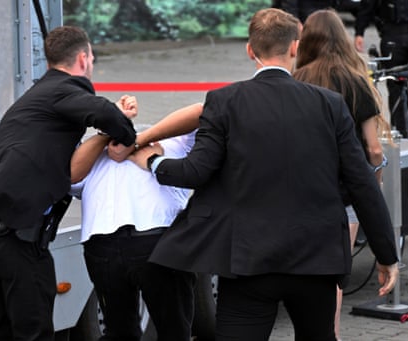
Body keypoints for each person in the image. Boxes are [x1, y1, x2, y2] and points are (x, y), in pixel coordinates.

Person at [128, 8, 399, 341]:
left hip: (249, 261)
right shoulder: (330, 104)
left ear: (249, 49)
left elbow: (195, 171)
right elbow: (362, 184)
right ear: (294, 48)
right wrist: (387, 255)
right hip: (316, 260)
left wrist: (152, 160)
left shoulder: (224, 101)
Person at [0, 26, 136, 341]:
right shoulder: (64, 90)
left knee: (12, 330)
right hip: (12, 233)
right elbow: (104, 114)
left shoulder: (41, 95)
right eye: (91, 57)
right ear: (83, 58)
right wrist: (125, 132)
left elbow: (72, 168)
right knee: (34, 331)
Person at [293, 9, 390, 340]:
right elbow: (374, 148)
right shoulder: (355, 81)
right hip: (345, 195)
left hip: (302, 189)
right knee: (333, 273)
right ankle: (329, 334)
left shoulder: (297, 79)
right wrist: (372, 183)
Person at [69, 103, 202, 341]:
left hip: (103, 245)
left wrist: (122, 134)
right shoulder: (176, 145)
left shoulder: (97, 157)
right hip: (153, 241)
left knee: (119, 333)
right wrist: (128, 137)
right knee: (175, 331)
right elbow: (201, 112)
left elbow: (70, 176)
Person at [354, 0, 408, 137]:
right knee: (395, 85)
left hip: (394, 36)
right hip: (392, 35)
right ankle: (400, 133)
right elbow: (367, 6)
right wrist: (359, 32)